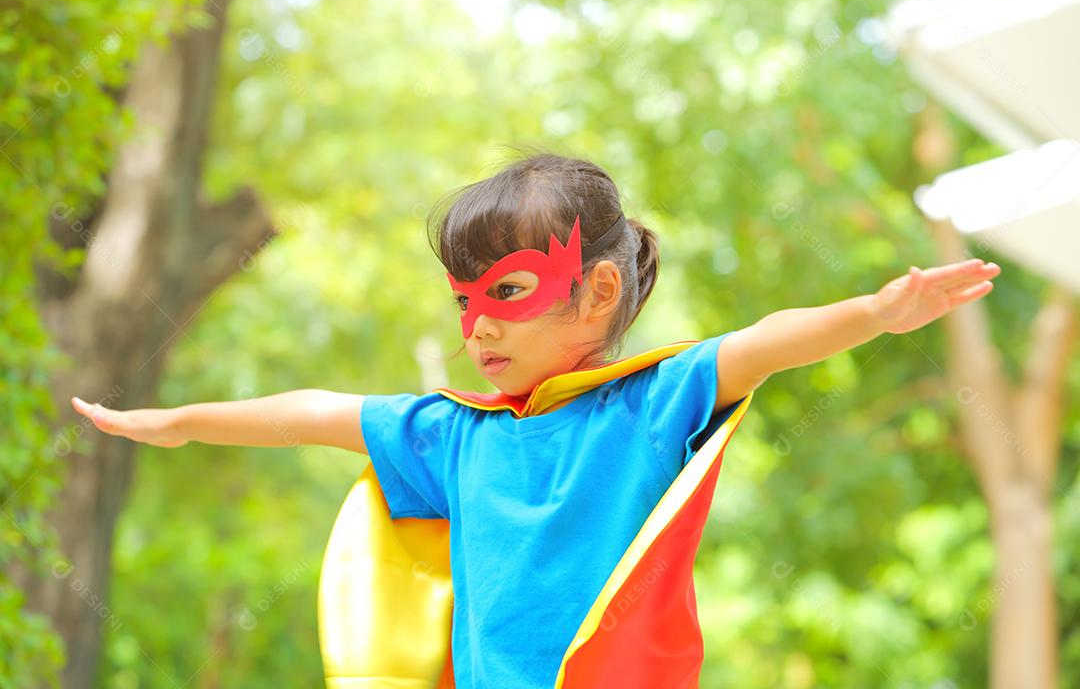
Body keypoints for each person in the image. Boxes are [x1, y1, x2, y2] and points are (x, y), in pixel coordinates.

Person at [72, 151, 1000, 687]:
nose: (479, 326)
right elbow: (317, 413)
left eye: (510, 293)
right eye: (464, 304)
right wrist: (181, 419)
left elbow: (763, 341)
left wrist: (873, 315)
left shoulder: (647, 406)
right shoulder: (457, 436)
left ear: (598, 293)